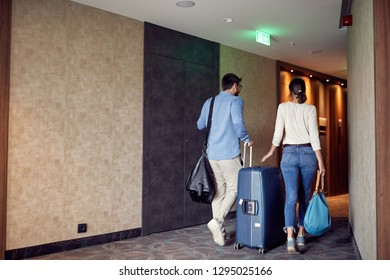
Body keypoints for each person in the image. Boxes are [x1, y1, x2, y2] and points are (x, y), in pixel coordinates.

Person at [261, 78, 325, 254]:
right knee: (304, 195)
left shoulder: (283, 107)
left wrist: (271, 151)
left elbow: (278, 132)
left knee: (291, 195)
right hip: (308, 154)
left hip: (288, 154)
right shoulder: (311, 109)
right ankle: (301, 234)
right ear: (304, 91)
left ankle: (290, 238)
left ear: (290, 91)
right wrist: (320, 160)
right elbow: (314, 137)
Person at [197, 73, 254, 246]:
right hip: (229, 153)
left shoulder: (210, 102)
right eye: (239, 87)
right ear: (235, 86)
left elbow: (200, 124)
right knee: (236, 188)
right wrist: (246, 138)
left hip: (212, 154)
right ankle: (218, 220)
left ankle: (220, 233)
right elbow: (238, 123)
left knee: (219, 192)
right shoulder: (236, 101)